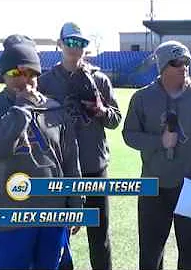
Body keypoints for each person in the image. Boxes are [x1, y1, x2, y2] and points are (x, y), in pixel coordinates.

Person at [0, 34, 82, 270]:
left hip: (52, 216)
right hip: (7, 217)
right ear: (3, 74)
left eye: (30, 73)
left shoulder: (55, 109)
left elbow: (69, 159)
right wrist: (21, 108)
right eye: (15, 73)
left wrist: (76, 202)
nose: (25, 80)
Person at [122, 40, 191, 270]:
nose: (184, 67)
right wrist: (158, 141)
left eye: (187, 62)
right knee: (150, 251)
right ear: (163, 66)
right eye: (177, 62)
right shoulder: (142, 98)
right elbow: (129, 134)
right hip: (153, 185)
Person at [38, 22, 122, 270]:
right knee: (60, 238)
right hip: (60, 170)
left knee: (99, 238)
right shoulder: (46, 82)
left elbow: (115, 119)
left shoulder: (100, 79)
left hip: (94, 166)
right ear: (60, 43)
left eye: (81, 43)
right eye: (71, 42)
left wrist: (100, 110)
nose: (76, 48)